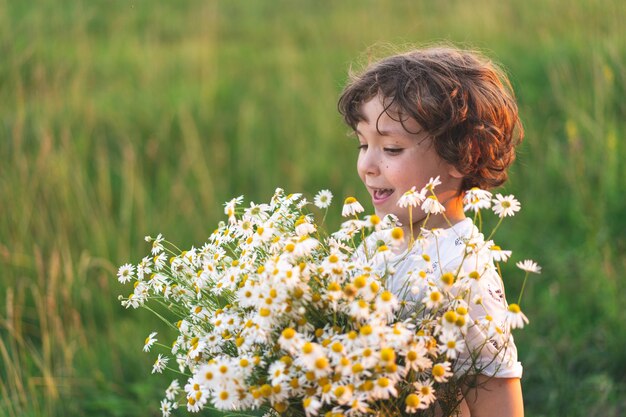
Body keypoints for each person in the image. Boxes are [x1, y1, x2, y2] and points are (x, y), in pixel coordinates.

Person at [338, 46, 525, 417]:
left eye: (391, 148)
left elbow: (497, 401)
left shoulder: (464, 273)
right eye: (363, 144)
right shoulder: (375, 246)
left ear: (463, 156)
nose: (367, 166)